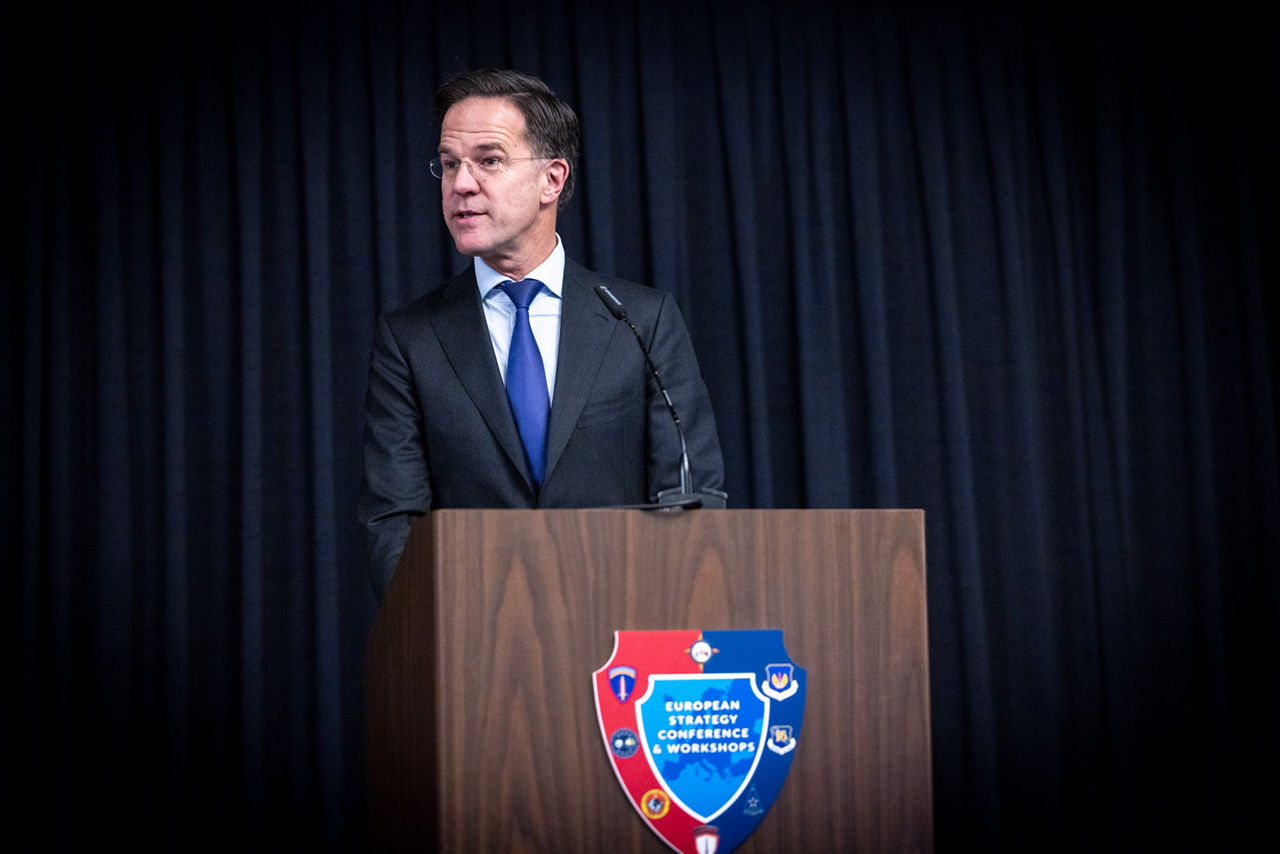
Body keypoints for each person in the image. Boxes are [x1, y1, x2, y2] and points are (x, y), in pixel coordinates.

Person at [358, 68, 726, 599]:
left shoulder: (640, 319)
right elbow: (393, 521)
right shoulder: (410, 339)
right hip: (473, 640)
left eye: (489, 160)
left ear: (552, 179)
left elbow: (692, 494)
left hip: (625, 630)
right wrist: (440, 632)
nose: (461, 183)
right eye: (448, 164)